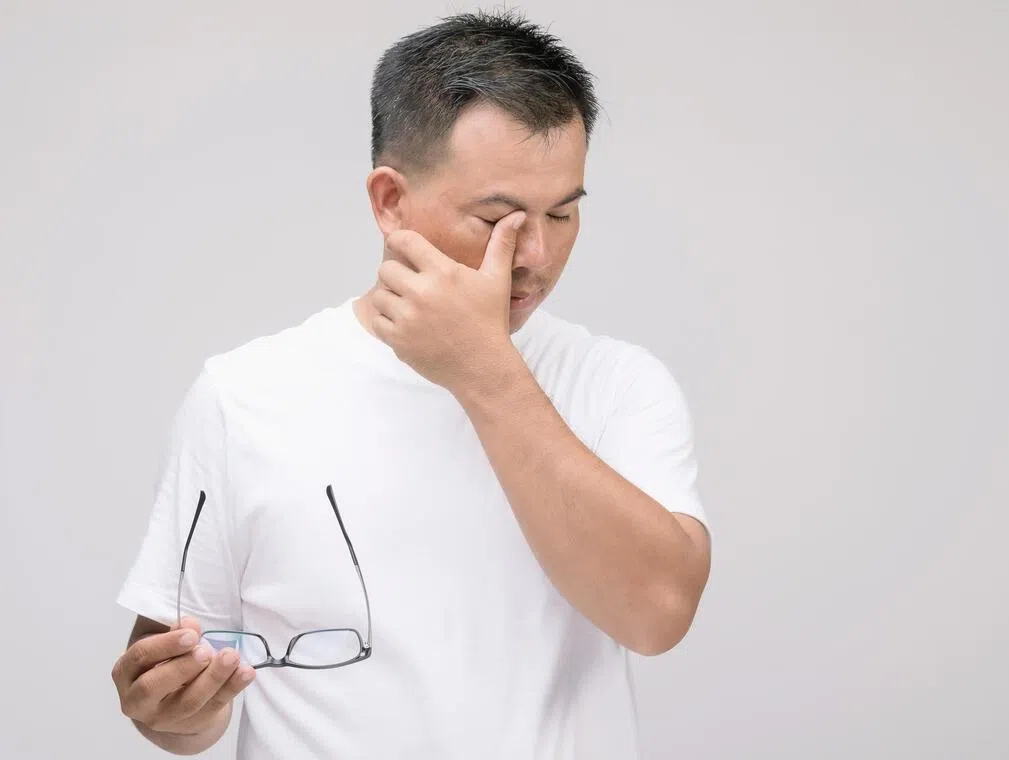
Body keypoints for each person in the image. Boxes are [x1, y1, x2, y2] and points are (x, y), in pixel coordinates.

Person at [110, 9, 711, 759]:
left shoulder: (617, 384)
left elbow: (657, 615)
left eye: (562, 213)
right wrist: (181, 713)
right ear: (390, 202)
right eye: (499, 215)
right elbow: (179, 698)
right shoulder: (246, 394)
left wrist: (484, 369)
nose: (535, 253)